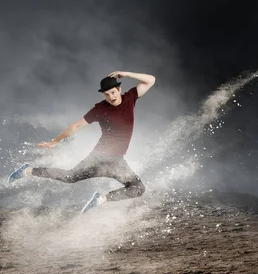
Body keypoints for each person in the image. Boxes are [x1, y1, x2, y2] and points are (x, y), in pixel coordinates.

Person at [9, 71, 156, 213]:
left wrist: (128, 74)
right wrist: (55, 141)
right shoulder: (100, 109)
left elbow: (151, 80)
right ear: (103, 95)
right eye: (107, 94)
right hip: (100, 157)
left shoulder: (130, 98)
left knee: (137, 189)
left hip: (117, 161)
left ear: (119, 89)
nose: (111, 97)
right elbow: (76, 126)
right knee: (70, 177)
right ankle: (27, 171)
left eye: (113, 92)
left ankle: (101, 199)